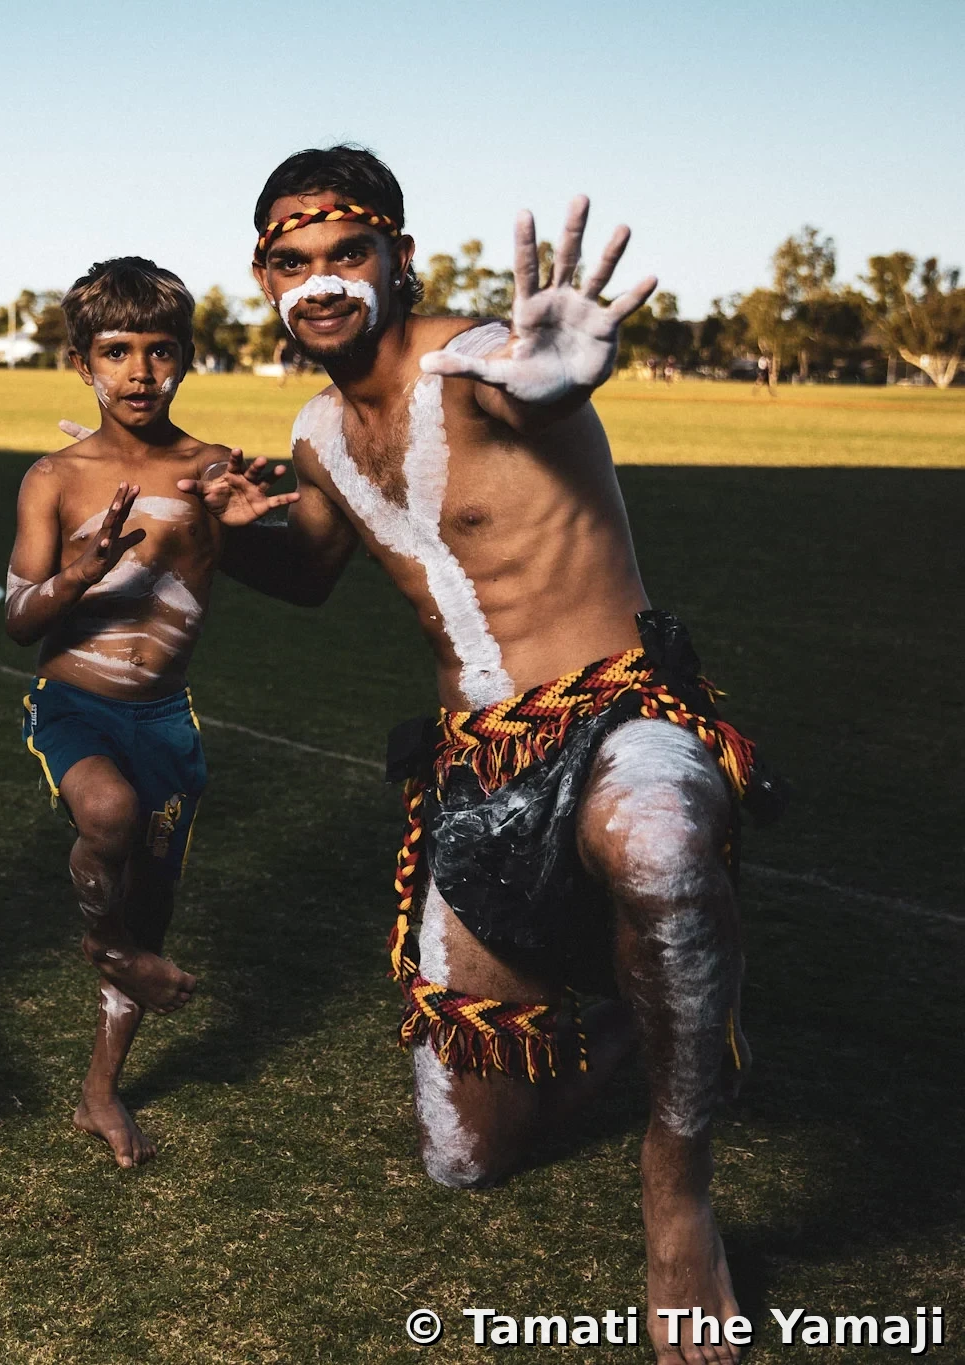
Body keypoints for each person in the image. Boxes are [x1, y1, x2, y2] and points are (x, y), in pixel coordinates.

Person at [209, 146, 781, 1365]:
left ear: (398, 259)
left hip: (622, 718)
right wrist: (210, 537)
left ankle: (676, 1193)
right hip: (472, 775)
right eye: (289, 263)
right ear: (261, 278)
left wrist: (566, 371)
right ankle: (646, 1019)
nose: (318, 282)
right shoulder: (314, 432)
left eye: (344, 254)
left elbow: (536, 384)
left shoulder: (479, 361)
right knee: (464, 1159)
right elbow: (307, 570)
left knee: (659, 843)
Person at [4, 258, 296, 1168]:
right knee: (107, 815)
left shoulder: (212, 471)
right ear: (79, 363)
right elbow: (17, 618)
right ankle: (104, 942)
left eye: (160, 351)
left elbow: (288, 571)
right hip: (76, 706)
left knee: (153, 911)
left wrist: (253, 529)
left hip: (165, 719)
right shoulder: (55, 477)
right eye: (116, 351)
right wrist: (77, 575)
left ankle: (101, 1090)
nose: (139, 372)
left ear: (187, 359)